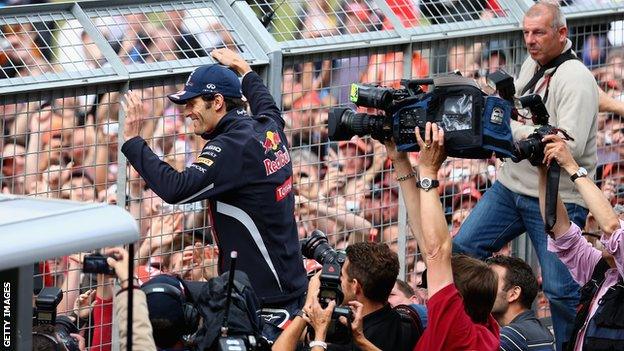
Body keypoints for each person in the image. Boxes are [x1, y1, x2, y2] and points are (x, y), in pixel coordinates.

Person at [120, 48, 307, 340]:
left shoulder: (232, 146)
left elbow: (176, 189)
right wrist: (245, 72)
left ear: (217, 102)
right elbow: (268, 107)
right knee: (170, 289)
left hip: (262, 298)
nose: (186, 111)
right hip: (285, 281)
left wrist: (133, 140)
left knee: (161, 297)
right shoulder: (266, 128)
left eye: (191, 102)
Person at [452, 2, 599, 349]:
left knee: (563, 291)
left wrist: (507, 126)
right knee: (464, 249)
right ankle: (479, 336)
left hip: (555, 197)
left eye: (539, 33)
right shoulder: (535, 62)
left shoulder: (576, 78)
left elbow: (566, 147)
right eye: (526, 33)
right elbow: (516, 112)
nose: (530, 41)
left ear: (561, 34)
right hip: (511, 185)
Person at [388, 122, 499, 350]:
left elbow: (436, 252)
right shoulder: (485, 327)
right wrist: (401, 162)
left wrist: (428, 171)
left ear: (456, 300)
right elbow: (429, 246)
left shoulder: (457, 330)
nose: (429, 289)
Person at [539, 134, 624, 350]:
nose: (605, 237)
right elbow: (560, 231)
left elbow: (612, 228)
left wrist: (571, 165)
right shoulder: (601, 270)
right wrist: (543, 170)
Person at [273, 242, 420, 351]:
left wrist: (308, 305)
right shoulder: (408, 324)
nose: (337, 278)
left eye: (341, 275)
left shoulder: (350, 345)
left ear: (355, 286)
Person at [487, 255, 554, 351]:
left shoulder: (511, 336)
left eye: (490, 282)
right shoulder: (542, 332)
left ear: (513, 294)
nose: (484, 288)